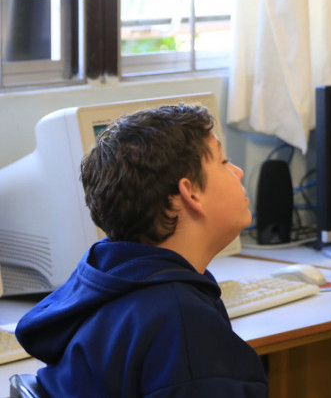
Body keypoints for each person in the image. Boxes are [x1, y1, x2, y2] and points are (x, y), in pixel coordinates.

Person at [16, 104, 268, 397]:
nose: (238, 171)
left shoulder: (109, 281)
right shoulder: (181, 324)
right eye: (224, 162)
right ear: (190, 193)